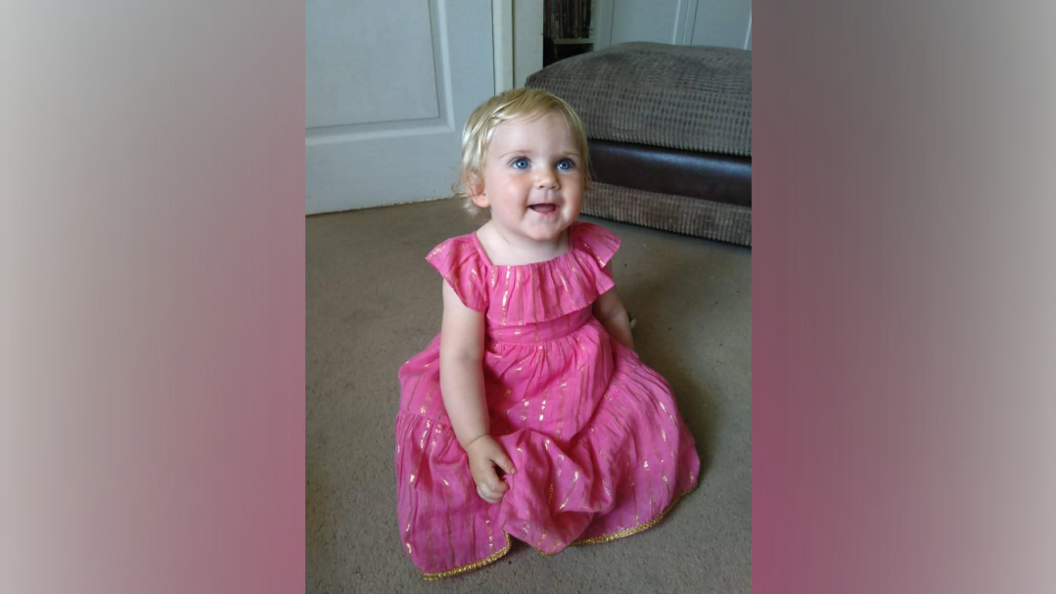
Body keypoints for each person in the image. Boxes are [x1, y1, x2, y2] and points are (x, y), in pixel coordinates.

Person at [395, 88, 700, 579]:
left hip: (585, 372)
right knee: (452, 447)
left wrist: (629, 372)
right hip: (500, 379)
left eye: (565, 164)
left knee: (650, 403)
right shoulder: (472, 263)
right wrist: (474, 439)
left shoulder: (585, 247)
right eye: (520, 163)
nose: (546, 180)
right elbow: (459, 358)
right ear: (479, 188)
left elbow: (614, 314)